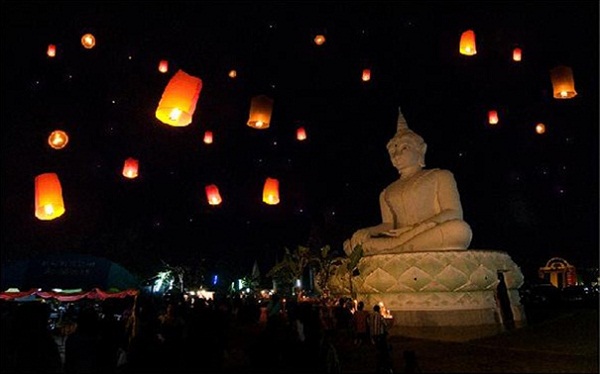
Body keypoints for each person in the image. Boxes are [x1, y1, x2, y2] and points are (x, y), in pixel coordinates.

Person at [344, 107, 472, 256]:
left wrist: (418, 229)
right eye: (392, 151)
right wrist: (368, 231)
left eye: (404, 148)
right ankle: (395, 248)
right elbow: (389, 225)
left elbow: (454, 212)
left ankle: (396, 251)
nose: (397, 155)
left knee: (460, 230)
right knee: (354, 244)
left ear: (421, 150)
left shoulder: (440, 176)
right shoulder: (387, 192)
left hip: (426, 234)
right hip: (397, 239)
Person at [370, 304, 393, 373]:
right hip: (380, 335)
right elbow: (385, 324)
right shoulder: (380, 316)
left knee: (377, 346)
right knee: (383, 348)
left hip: (374, 334)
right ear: (379, 310)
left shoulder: (371, 316)